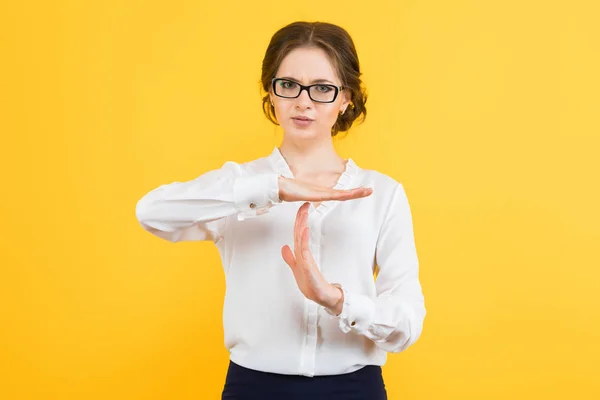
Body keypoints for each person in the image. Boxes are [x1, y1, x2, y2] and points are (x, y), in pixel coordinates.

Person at [135, 21, 426, 400]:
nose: (303, 102)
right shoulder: (239, 186)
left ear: (346, 98)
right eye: (288, 85)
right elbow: (151, 212)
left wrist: (337, 300)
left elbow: (407, 323)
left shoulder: (383, 193)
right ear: (271, 93)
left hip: (354, 387)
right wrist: (271, 188)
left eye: (322, 88)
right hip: (253, 386)